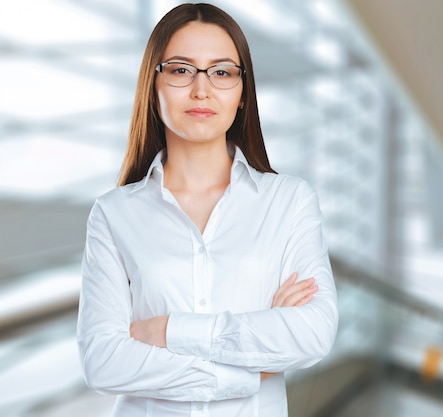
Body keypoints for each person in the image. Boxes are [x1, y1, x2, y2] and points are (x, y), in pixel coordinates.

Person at [76, 3, 338, 416]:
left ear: (241, 93)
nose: (202, 90)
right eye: (181, 70)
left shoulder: (288, 202)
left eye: (222, 72)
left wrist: (166, 330)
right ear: (153, 84)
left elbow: (312, 333)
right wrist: (247, 368)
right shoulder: (113, 214)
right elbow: (103, 361)